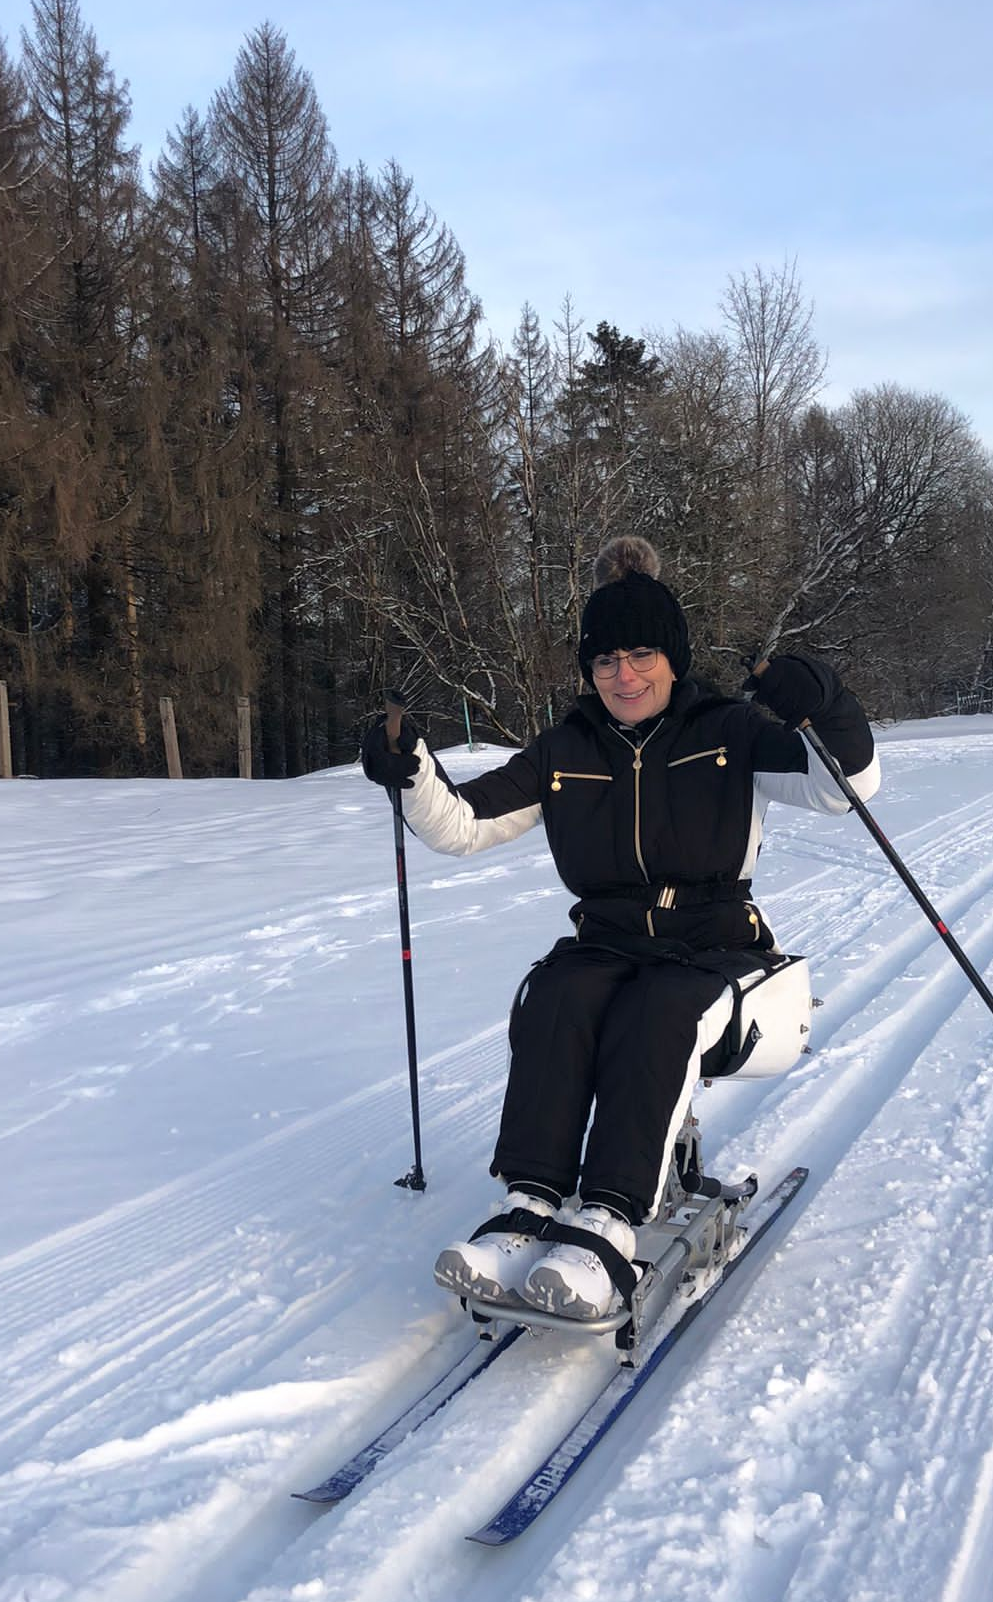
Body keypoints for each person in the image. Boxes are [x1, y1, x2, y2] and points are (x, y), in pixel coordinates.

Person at [360, 537, 881, 1321]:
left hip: (713, 942)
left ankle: (607, 1221)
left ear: (672, 658)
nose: (624, 676)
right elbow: (463, 824)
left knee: (655, 1014)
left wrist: (830, 708)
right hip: (607, 938)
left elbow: (844, 788)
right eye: (605, 662)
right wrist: (413, 773)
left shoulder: (729, 731)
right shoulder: (567, 748)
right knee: (556, 997)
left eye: (641, 655)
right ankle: (529, 1208)